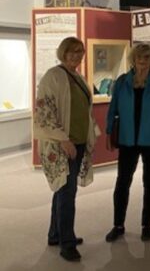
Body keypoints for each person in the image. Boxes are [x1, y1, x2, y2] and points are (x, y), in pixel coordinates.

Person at [34, 37, 99, 262]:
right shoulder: (53, 76)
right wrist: (63, 140)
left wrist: (90, 134)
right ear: (63, 52)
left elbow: (84, 110)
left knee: (63, 190)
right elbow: (44, 112)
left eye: (80, 51)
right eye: (72, 51)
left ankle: (56, 235)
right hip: (62, 144)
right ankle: (67, 243)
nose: (77, 55)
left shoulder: (78, 77)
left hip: (77, 141)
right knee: (66, 193)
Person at [105, 43, 150, 242]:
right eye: (139, 57)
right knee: (122, 182)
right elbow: (113, 109)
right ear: (133, 59)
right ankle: (118, 225)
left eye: (146, 57)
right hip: (128, 139)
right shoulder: (122, 82)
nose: (142, 61)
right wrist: (109, 133)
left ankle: (146, 225)